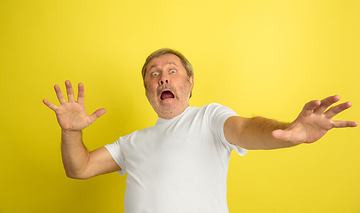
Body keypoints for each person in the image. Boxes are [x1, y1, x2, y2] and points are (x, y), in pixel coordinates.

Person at [43, 48, 358, 213]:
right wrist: (71, 132)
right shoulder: (132, 143)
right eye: (154, 74)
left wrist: (289, 130)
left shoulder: (209, 118)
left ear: (189, 83)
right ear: (147, 90)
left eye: (172, 70)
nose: (163, 78)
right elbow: (80, 168)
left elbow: (246, 128)